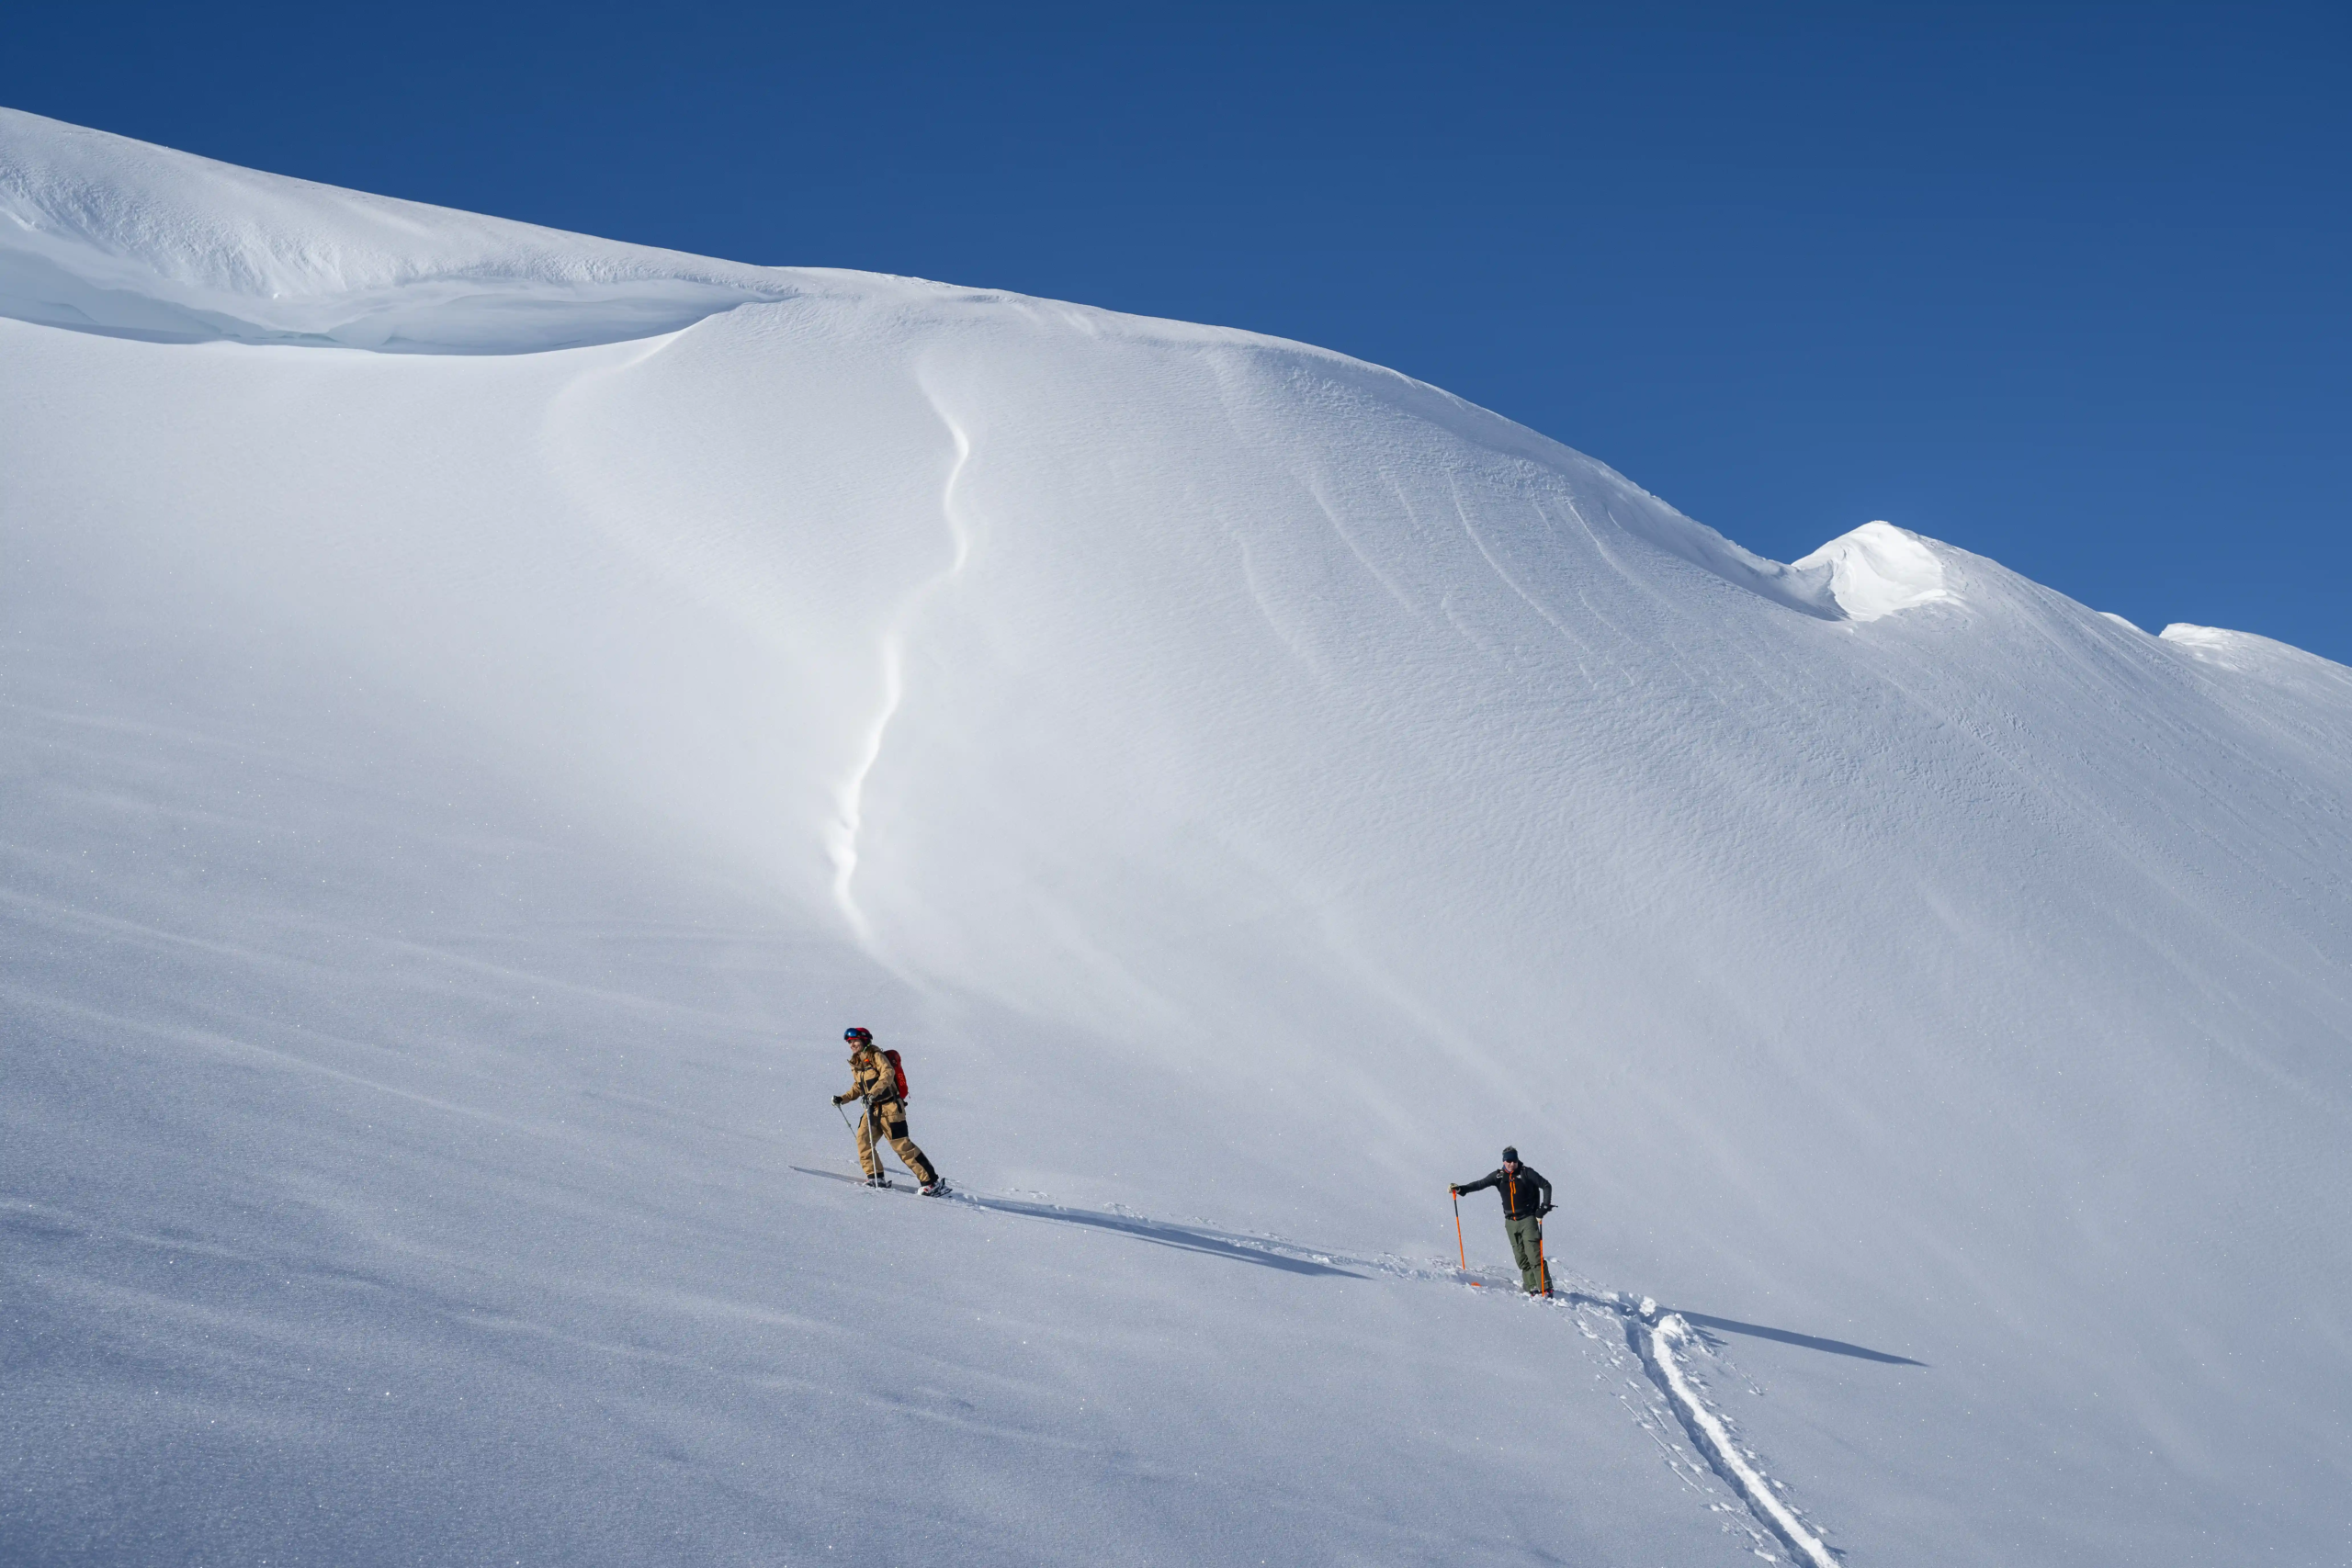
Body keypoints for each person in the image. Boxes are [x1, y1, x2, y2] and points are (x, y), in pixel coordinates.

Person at [832, 1027, 948, 1195]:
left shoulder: (876, 1055)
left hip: (891, 1108)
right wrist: (843, 1098)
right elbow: (859, 1087)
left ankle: (932, 1182)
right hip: (872, 1109)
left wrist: (873, 1093)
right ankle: (875, 1177)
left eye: (854, 1041)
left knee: (902, 1146)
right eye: (849, 1042)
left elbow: (888, 1073)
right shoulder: (857, 1063)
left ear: (864, 1041)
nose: (851, 1045)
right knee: (863, 1141)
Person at [1453, 1146, 1554, 1294]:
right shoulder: (1498, 1176)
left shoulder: (1526, 1172)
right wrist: (1461, 1189)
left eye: (1514, 1160)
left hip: (1528, 1219)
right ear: (1504, 1161)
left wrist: (1543, 1207)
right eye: (1509, 1161)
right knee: (1521, 1258)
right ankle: (1532, 1286)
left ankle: (1545, 1288)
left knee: (1534, 1254)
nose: (1512, 1164)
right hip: (1510, 1222)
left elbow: (1546, 1185)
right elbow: (1480, 1184)